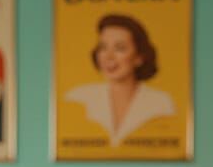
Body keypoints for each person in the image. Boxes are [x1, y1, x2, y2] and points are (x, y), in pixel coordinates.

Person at [65, 14, 175, 145]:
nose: (108, 56)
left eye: (120, 48)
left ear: (139, 57)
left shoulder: (161, 102)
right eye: (103, 47)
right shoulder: (77, 98)